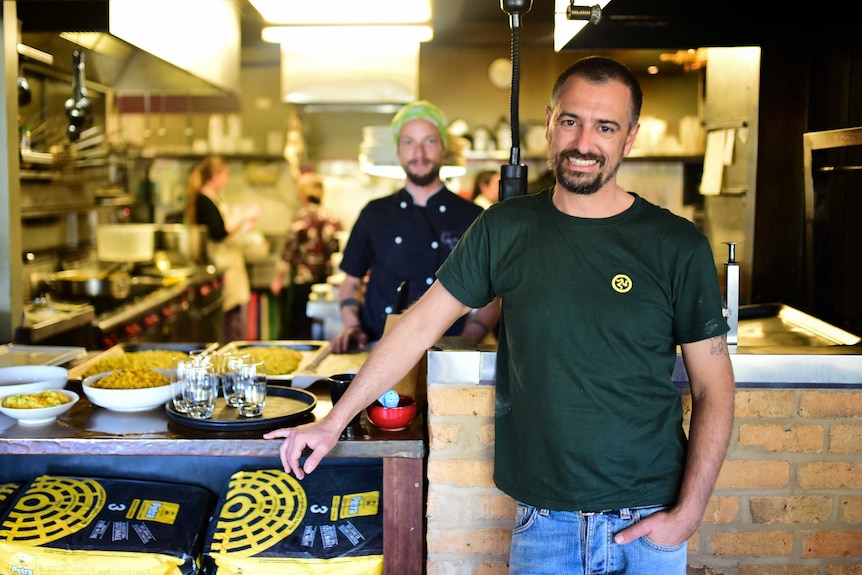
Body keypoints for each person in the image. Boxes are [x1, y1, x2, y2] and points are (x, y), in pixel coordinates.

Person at [265, 56, 735, 573]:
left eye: (605, 126)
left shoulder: (676, 245)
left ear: (629, 138)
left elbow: (714, 389)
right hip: (544, 523)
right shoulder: (504, 228)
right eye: (571, 120)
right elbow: (419, 325)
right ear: (550, 121)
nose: (583, 142)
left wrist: (688, 514)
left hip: (651, 519)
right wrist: (334, 421)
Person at [330, 100, 500, 353]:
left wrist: (465, 341)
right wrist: (351, 325)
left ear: (443, 147)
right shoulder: (375, 213)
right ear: (398, 151)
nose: (419, 153)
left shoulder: (473, 217)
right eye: (409, 142)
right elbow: (351, 282)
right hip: (377, 347)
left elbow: (492, 295)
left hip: (446, 353)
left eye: (429, 141)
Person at [185, 156, 258, 343]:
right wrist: (242, 220)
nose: (226, 179)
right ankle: (231, 362)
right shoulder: (204, 200)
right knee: (231, 321)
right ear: (216, 175)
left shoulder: (214, 199)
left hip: (229, 263)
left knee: (235, 316)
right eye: (225, 174)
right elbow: (218, 232)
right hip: (222, 263)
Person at [269, 172, 343, 339]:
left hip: (302, 280)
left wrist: (278, 279)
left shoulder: (300, 218)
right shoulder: (332, 219)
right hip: (324, 282)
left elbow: (289, 250)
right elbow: (337, 252)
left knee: (298, 325)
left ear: (303, 193)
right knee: (318, 325)